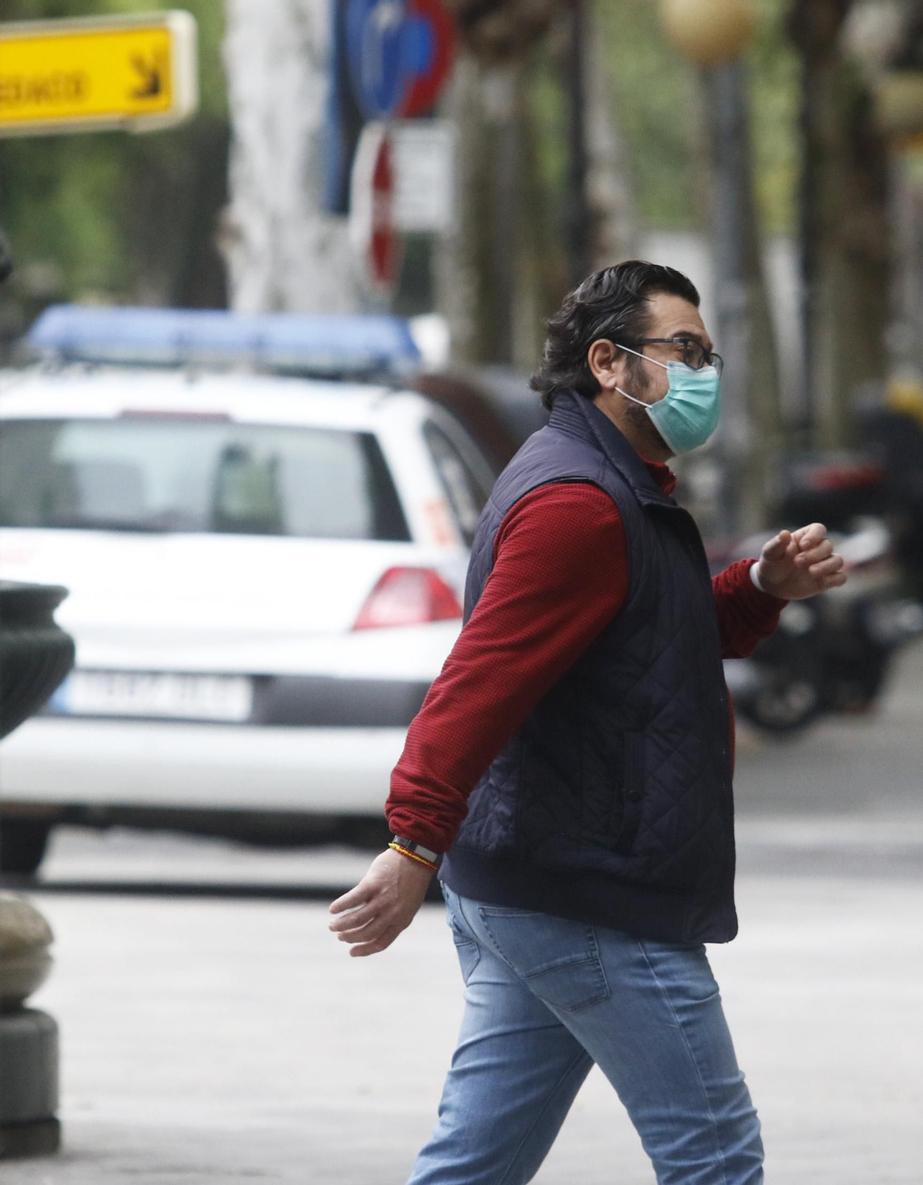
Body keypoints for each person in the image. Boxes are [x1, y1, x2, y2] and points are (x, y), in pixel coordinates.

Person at [328, 261, 846, 1184]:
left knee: (474, 1167)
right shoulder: (580, 502)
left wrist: (762, 586)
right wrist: (411, 848)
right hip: (590, 888)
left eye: (707, 353)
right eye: (682, 350)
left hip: (537, 878)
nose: (703, 373)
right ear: (610, 362)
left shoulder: (612, 483)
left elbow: (652, 634)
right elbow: (477, 683)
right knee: (716, 1155)